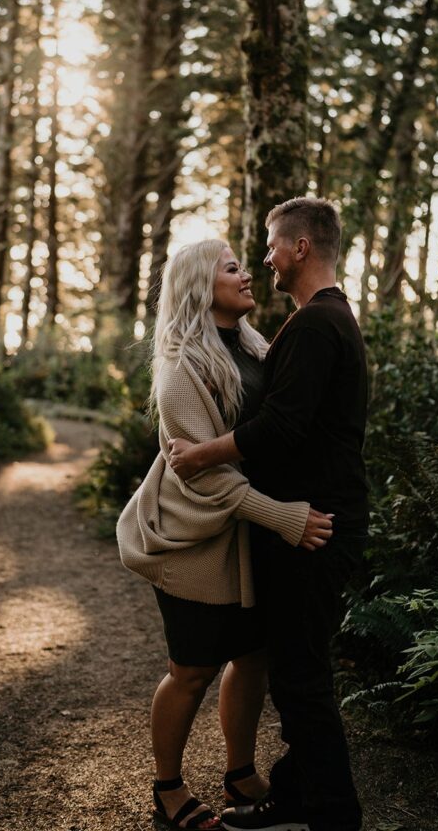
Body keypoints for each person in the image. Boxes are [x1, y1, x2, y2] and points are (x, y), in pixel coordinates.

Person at [116, 239, 334, 831]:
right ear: (197, 285)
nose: (248, 275)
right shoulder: (180, 365)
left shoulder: (258, 345)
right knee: (191, 669)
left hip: (246, 537)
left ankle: (239, 772)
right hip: (192, 539)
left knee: (253, 657)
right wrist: (285, 518)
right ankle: (167, 789)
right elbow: (204, 473)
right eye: (233, 267)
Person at [168, 198, 369, 831]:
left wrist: (202, 454)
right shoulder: (324, 321)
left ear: (301, 248)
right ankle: (293, 791)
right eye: (238, 262)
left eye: (271, 246)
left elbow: (279, 428)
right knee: (288, 668)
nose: (264, 260)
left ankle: (328, 813)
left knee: (300, 677)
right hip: (294, 522)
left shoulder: (312, 326)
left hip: (311, 524)